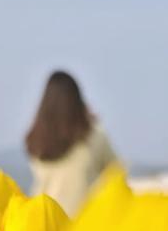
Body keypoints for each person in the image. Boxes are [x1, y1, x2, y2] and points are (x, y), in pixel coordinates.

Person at [25, 71, 117, 216]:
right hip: (84, 223)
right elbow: (116, 174)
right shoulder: (93, 135)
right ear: (76, 99)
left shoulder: (37, 138)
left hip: (45, 222)